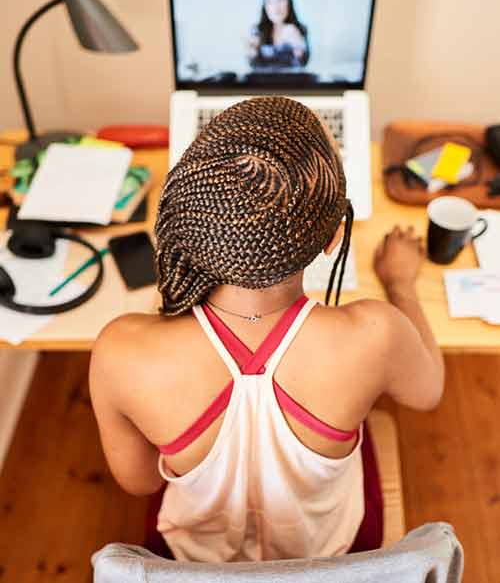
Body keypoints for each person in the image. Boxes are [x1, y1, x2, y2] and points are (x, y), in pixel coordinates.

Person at [89, 96, 444, 563]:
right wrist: (401, 285)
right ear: (335, 238)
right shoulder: (376, 334)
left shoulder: (122, 351)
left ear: (198, 223)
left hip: (196, 564)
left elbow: (142, 482)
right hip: (332, 554)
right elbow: (428, 391)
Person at [248, 0, 309, 69]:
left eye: (280, 0)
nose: (276, 6)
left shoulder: (299, 29)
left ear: (289, 2)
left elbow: (303, 63)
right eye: (270, 2)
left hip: (292, 80)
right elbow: (253, 65)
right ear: (265, 7)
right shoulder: (258, 30)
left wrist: (297, 43)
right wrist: (252, 50)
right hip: (263, 81)